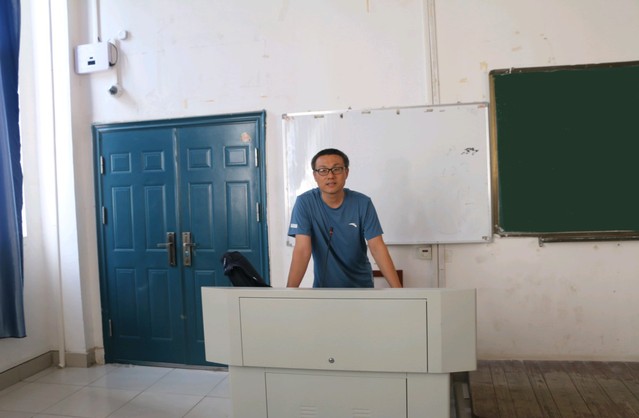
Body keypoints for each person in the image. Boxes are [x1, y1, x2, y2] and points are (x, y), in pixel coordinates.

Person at [287, 148, 403, 288]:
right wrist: (289, 293)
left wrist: (398, 291)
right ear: (315, 175)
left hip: (361, 288)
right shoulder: (305, 203)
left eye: (336, 169)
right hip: (324, 290)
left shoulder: (363, 203)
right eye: (323, 170)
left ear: (346, 172)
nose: (330, 176)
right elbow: (302, 250)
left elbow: (377, 247)